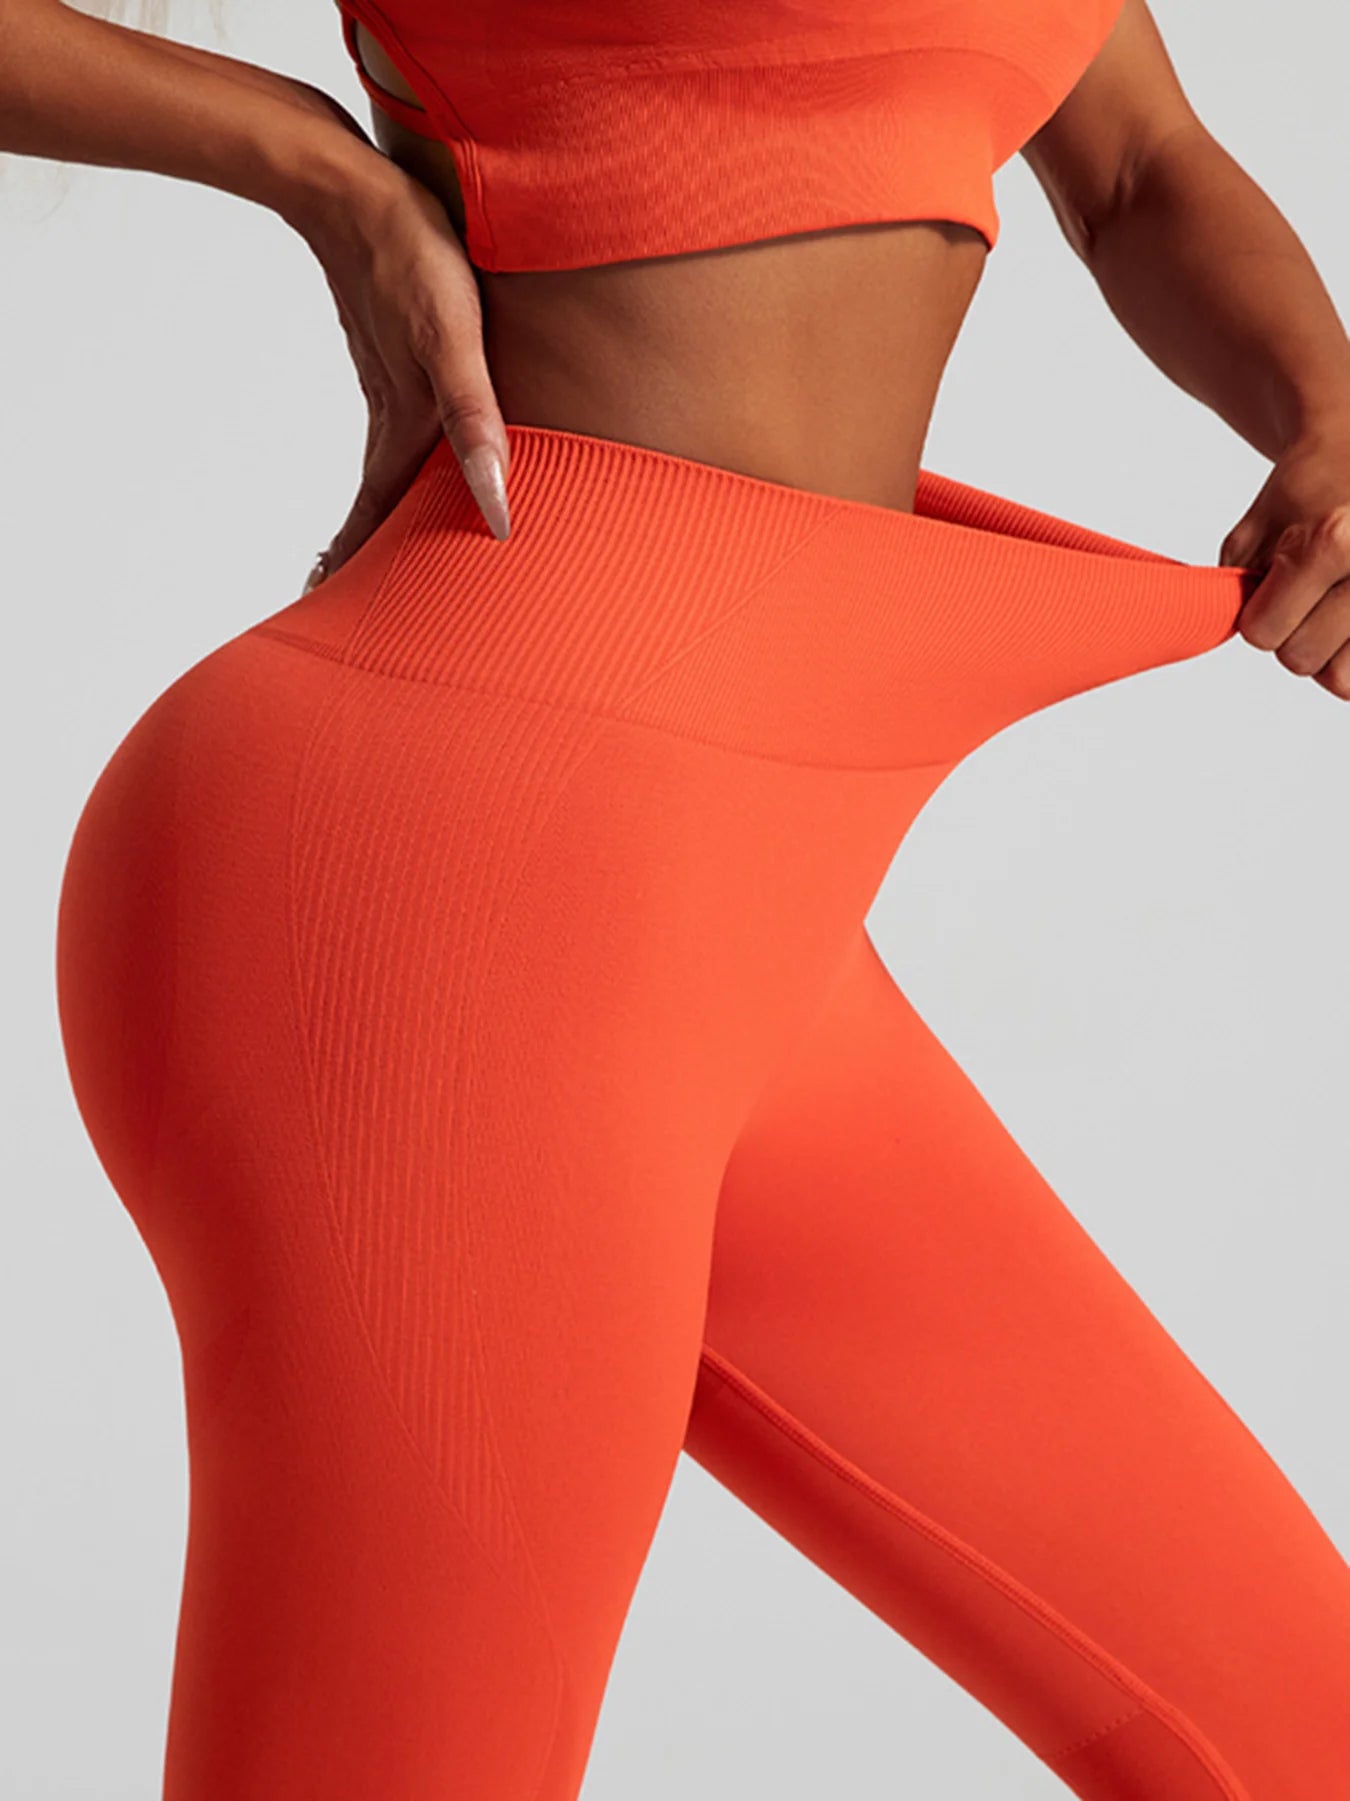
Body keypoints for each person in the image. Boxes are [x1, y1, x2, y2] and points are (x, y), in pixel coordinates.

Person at [6, 0, 1348, 1794]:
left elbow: (1138, 167)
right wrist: (315, 166)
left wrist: (1330, 413)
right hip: (437, 886)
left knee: (1296, 1727)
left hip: (744, 926)